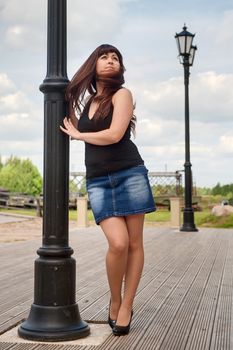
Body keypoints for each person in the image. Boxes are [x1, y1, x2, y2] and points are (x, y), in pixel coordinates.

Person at [60, 44, 156, 336]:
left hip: (130, 173)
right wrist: (66, 112)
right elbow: (80, 128)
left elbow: (115, 134)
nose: (111, 60)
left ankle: (126, 305)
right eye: (105, 56)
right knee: (118, 243)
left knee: (134, 244)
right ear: (94, 64)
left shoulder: (122, 95)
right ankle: (114, 299)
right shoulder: (89, 100)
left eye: (116, 57)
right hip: (99, 179)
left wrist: (79, 135)